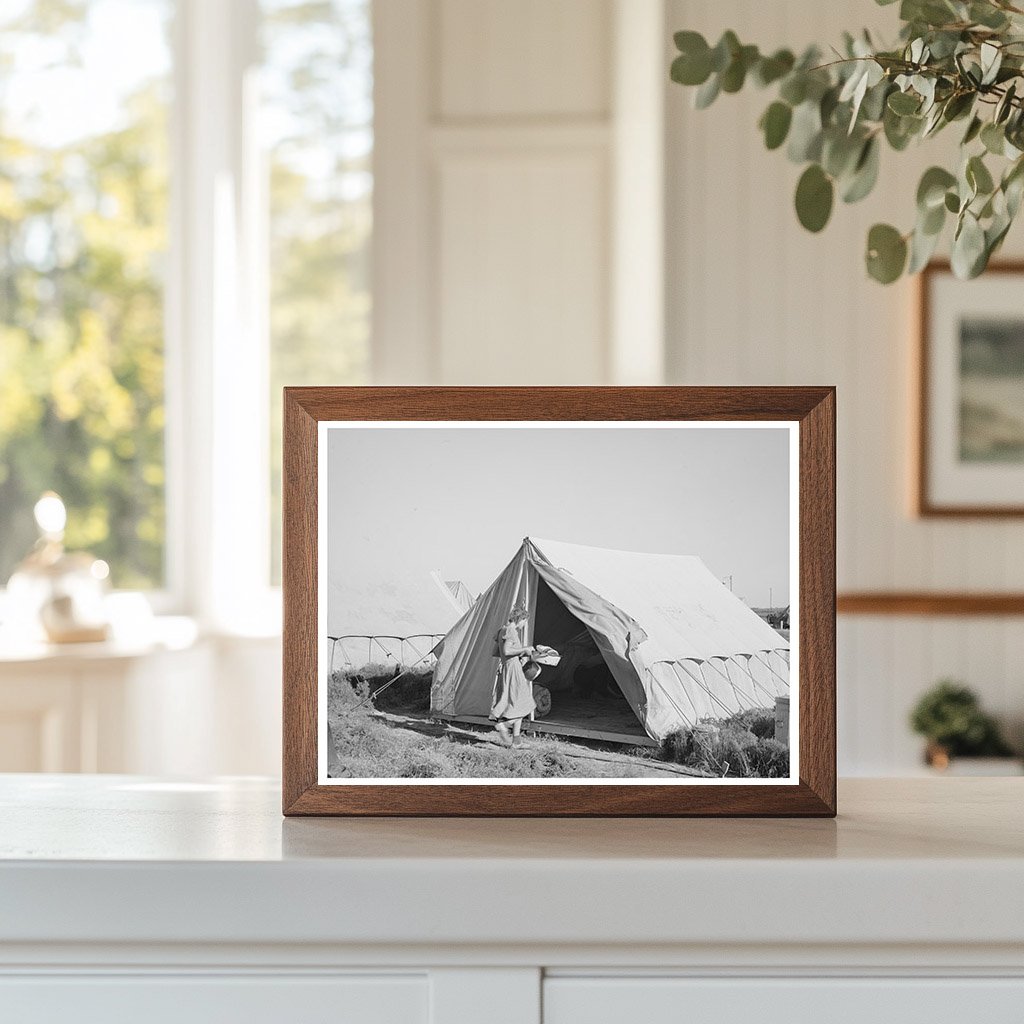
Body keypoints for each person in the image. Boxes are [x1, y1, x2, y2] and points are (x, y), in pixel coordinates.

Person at [490, 604, 537, 747]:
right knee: (525, 702)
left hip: (507, 667)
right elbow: (507, 651)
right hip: (513, 669)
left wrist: (519, 653)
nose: (524, 625)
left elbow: (495, 652)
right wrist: (525, 649)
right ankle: (503, 724)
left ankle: (516, 741)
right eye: (524, 622)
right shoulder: (511, 631)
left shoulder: (501, 630)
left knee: (518, 704)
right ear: (520, 619)